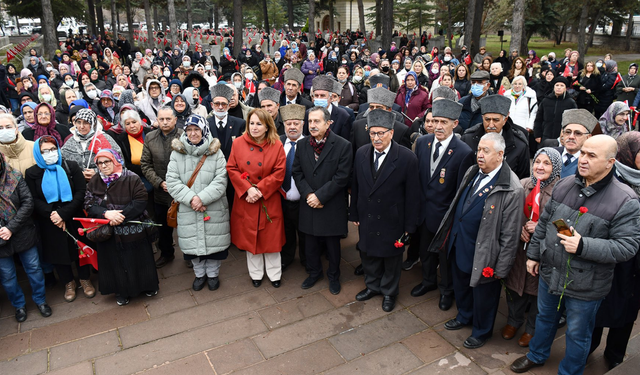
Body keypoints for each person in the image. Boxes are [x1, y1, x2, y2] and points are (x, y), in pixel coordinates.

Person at [510, 135, 640, 375]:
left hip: (587, 285)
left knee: (578, 334)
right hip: (550, 273)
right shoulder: (565, 183)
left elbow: (627, 247)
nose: (583, 159)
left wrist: (583, 246)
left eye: (592, 155)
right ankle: (536, 355)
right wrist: (535, 255)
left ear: (610, 162)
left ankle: (570, 372)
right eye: (583, 153)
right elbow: (545, 223)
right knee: (544, 320)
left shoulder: (626, 200)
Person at [432, 132, 524, 349]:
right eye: (479, 150)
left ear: (501, 155)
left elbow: (510, 234)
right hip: (460, 243)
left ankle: (481, 331)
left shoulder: (512, 189)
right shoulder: (474, 171)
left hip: (485, 253)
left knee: (484, 296)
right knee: (462, 285)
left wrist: (501, 267)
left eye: (486, 151)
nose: (479, 155)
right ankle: (464, 316)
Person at [350, 109, 420, 312]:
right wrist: (354, 213)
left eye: (381, 133)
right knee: (368, 253)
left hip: (393, 218)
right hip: (367, 215)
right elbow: (356, 186)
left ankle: (389, 291)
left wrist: (409, 226)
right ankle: (372, 286)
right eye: (372, 133)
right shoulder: (361, 153)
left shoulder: (407, 158)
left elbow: (413, 195)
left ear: (391, 132)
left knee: (391, 258)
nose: (376, 138)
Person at [409, 99, 475, 311]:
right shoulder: (422, 142)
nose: (437, 126)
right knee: (425, 251)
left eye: (443, 122)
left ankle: (447, 291)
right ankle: (428, 281)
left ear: (454, 123)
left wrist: (453, 218)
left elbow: (460, 191)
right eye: (435, 121)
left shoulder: (463, 151)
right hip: (423, 212)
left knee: (445, 258)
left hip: (446, 216)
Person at [583, 132, 640, 370]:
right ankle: (587, 349)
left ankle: (615, 352)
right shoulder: (608, 175)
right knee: (597, 309)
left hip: (635, 263)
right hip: (605, 256)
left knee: (627, 309)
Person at [502, 147, 562, 348]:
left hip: (543, 253)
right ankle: (513, 321)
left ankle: (531, 329)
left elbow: (565, 226)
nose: (540, 167)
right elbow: (508, 213)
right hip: (519, 250)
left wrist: (541, 227)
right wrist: (519, 228)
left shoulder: (562, 192)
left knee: (538, 294)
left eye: (547, 163)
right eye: (537, 162)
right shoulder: (522, 184)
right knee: (515, 287)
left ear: (555, 168)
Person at [84, 149, 159, 306]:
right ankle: (122, 291)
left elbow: (140, 200)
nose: (104, 166)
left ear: (115, 160)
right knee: (115, 262)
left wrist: (120, 216)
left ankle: (147, 286)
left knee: (139, 260)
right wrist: (106, 214)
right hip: (108, 230)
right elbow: (89, 204)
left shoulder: (131, 178)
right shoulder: (95, 181)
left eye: (107, 161)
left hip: (132, 228)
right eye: (100, 163)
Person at [25, 136, 94, 302]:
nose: (50, 154)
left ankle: (85, 279)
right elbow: (33, 199)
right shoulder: (32, 173)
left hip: (73, 215)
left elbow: (80, 191)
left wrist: (64, 213)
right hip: (50, 220)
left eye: (52, 149)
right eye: (44, 151)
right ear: (38, 153)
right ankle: (68, 283)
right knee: (57, 252)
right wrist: (53, 214)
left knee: (80, 248)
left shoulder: (70, 166)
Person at [166, 114, 230, 292]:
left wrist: (202, 198)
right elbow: (172, 181)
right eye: (189, 130)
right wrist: (192, 199)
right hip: (188, 208)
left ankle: (213, 275)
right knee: (192, 246)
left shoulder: (216, 152)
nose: (193, 133)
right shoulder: (176, 154)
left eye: (197, 129)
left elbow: (221, 180)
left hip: (213, 206)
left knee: (214, 245)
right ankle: (199, 274)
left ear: (204, 130)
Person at [293, 106, 353, 295]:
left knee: (332, 245)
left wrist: (320, 196)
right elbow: (297, 172)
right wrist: (309, 195)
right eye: (310, 121)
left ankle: (334, 276)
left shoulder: (343, 145)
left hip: (331, 204)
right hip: (309, 202)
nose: (312, 125)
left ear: (328, 123)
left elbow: (342, 177)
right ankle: (314, 273)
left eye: (317, 121)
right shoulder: (302, 145)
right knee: (309, 243)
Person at [227, 108, 286, 288]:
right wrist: (248, 190)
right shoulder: (237, 143)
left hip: (268, 198)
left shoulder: (277, 145)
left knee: (271, 238)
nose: (254, 127)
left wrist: (259, 190)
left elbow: (279, 172)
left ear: (267, 126)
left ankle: (275, 274)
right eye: (251, 123)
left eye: (259, 124)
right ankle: (256, 274)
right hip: (246, 199)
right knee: (250, 237)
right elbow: (232, 168)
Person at [0, 150, 52, 322]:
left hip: (22, 231)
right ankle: (19, 305)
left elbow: (28, 203)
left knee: (34, 268)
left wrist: (11, 228)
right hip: (1, 238)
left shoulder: (14, 176)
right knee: (7, 276)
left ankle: (40, 300)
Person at [141, 106, 184, 268]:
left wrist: (179, 184)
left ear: (175, 119)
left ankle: (190, 255)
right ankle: (167, 254)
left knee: (185, 226)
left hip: (182, 190)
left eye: (168, 119)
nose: (165, 122)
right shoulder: (151, 137)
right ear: (157, 120)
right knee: (163, 227)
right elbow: (145, 164)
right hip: (161, 191)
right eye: (161, 119)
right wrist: (159, 182)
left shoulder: (184, 135)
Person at [461, 95, 530, 179]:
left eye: (496, 120)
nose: (491, 125)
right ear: (482, 118)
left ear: (505, 119)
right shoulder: (468, 139)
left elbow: (523, 179)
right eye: (487, 120)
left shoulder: (519, 145)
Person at [278, 104, 307, 271]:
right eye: (289, 123)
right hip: (282, 198)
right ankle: (286, 257)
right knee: (286, 230)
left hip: (303, 199)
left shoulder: (310, 144)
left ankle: (306, 259)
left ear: (303, 124)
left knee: (304, 233)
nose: (292, 127)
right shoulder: (277, 142)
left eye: (296, 123)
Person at [61, 109, 122, 182]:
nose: (82, 126)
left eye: (86, 123)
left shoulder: (103, 139)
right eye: (78, 122)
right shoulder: (70, 142)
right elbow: (63, 164)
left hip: (102, 184)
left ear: (93, 124)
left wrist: (98, 173)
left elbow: (119, 162)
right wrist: (78, 174)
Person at [351, 87, 411, 152]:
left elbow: (404, 156)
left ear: (389, 110)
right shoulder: (357, 126)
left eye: (379, 107)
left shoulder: (401, 130)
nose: (374, 110)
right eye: (371, 107)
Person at [533, 76, 577, 145]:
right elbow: (539, 119)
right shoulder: (546, 101)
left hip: (562, 137)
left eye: (562, 85)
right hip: (546, 135)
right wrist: (537, 134)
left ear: (565, 88)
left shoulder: (570, 102)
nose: (559, 87)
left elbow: (574, 121)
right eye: (557, 85)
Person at [307, 75, 352, 141]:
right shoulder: (307, 114)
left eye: (322, 96)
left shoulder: (343, 116)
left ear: (331, 98)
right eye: (316, 95)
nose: (319, 98)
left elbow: (345, 143)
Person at [555, 109, 597, 178]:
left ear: (588, 137)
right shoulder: (551, 154)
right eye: (568, 132)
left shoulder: (592, 163)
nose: (571, 137)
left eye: (578, 133)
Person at [504, 76, 538, 157]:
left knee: (521, 145)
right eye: (515, 84)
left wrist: (529, 126)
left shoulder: (530, 96)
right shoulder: (507, 95)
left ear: (524, 85)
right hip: (509, 124)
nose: (517, 86)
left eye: (520, 84)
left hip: (523, 125)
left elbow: (534, 112)